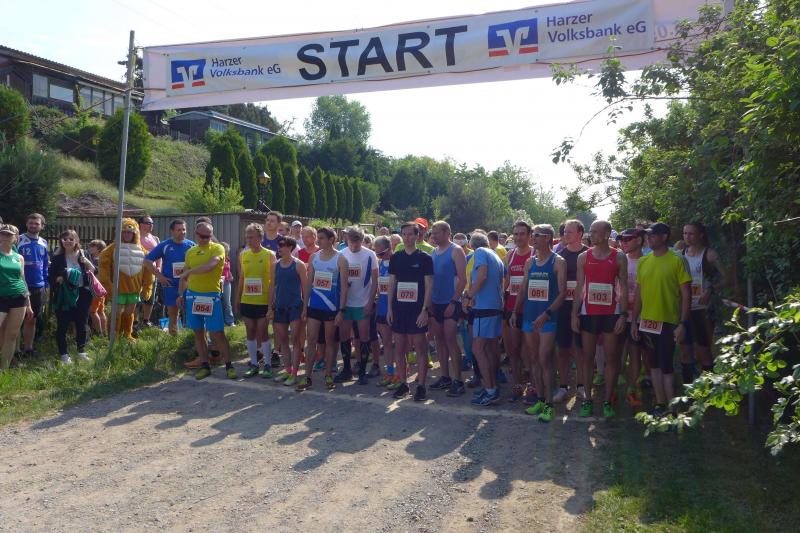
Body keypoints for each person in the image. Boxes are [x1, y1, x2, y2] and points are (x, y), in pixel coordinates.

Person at [631, 222, 692, 416]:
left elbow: (686, 295)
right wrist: (634, 321)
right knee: (654, 365)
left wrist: (683, 323)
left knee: (666, 366)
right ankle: (660, 404)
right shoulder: (644, 261)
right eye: (647, 235)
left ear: (664, 236)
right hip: (647, 323)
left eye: (652, 234)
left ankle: (673, 410)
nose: (648, 238)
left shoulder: (678, 260)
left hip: (668, 323)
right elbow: (639, 294)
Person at [572, 220, 629, 418]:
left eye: (595, 232)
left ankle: (607, 400)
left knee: (612, 358)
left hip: (611, 314)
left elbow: (623, 287)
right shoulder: (583, 257)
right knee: (588, 358)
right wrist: (574, 314)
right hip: (589, 313)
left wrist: (623, 314)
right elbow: (579, 287)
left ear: (606, 234)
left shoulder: (619, 256)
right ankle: (587, 399)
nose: (591, 234)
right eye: (591, 231)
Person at [512, 224, 566, 422]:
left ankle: (550, 404)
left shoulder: (557, 261)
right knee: (533, 359)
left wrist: (547, 313)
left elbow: (562, 293)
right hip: (529, 316)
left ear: (548, 238)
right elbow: (523, 289)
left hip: (547, 319)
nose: (532, 238)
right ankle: (541, 399)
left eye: (537, 235)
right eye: (532, 235)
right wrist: (514, 311)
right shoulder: (530, 262)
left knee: (545, 360)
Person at [177, 222, 236, 380]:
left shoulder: (217, 248)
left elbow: (210, 266)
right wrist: (180, 294)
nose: (205, 239)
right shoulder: (190, 252)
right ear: (196, 235)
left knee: (217, 333)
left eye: (208, 236)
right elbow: (184, 276)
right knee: (198, 332)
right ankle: (204, 365)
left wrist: (189, 272)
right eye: (202, 236)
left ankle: (229, 365)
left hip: (211, 295)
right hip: (193, 296)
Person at [296, 227, 348, 391]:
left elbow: (344, 287)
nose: (318, 241)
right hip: (314, 306)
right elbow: (309, 283)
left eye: (322, 238)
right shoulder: (314, 257)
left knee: (329, 340)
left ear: (332, 240)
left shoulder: (341, 259)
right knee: (311, 340)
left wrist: (341, 310)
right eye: (318, 238)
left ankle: (328, 374)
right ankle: (307, 376)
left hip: (331, 308)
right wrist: (305, 307)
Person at [387, 221, 434, 400]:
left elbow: (429, 285)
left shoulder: (425, 258)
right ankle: (403, 384)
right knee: (399, 348)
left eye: (410, 234)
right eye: (404, 234)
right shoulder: (396, 257)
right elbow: (392, 282)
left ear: (417, 236)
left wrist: (425, 310)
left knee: (420, 348)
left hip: (417, 310)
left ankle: (421, 385)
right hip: (399, 309)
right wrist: (389, 308)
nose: (407, 238)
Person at [680, 221, 726, 382]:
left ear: (700, 235)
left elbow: (727, 278)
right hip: (684, 309)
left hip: (703, 310)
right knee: (685, 351)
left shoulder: (710, 254)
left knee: (703, 351)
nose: (687, 237)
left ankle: (709, 388)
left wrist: (711, 289)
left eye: (691, 233)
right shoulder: (681, 254)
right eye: (685, 233)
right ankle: (688, 389)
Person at [334, 226, 379, 385]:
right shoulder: (342, 254)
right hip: (346, 303)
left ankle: (362, 372)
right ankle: (346, 369)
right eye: (351, 242)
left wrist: (370, 302)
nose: (354, 246)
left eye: (357, 243)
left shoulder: (370, 255)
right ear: (347, 240)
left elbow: (375, 281)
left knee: (364, 337)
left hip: (362, 302)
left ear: (361, 240)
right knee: (344, 336)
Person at [428, 221, 468, 396]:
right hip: (435, 302)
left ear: (446, 233)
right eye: (432, 232)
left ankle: (458, 380)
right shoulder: (433, 252)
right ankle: (445, 377)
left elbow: (463, 280)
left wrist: (453, 302)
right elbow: (430, 280)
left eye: (436, 232)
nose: (433, 235)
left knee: (451, 339)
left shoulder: (456, 251)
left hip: (451, 302)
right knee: (439, 340)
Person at [466, 232, 506, 406]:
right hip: (493, 306)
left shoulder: (480, 252)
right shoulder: (494, 255)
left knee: (478, 348)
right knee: (488, 349)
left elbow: (482, 276)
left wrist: (469, 296)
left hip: (485, 307)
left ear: (471, 244)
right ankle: (491, 387)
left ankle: (491, 390)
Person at [98, 218, 152, 341]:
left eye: (130, 232)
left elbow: (148, 270)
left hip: (134, 288)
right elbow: (103, 267)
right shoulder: (111, 249)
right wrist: (108, 285)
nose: (127, 235)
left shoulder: (142, 250)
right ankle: (113, 336)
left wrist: (147, 287)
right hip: (118, 289)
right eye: (125, 232)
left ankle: (127, 334)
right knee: (116, 313)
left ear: (135, 234)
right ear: (120, 233)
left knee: (129, 313)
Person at [237, 223, 276, 379]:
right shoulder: (243, 255)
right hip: (247, 300)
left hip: (263, 301)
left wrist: (270, 304)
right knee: (250, 331)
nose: (249, 240)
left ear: (260, 238)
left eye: (251, 237)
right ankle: (254, 364)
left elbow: (273, 281)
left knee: (262, 332)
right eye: (247, 237)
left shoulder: (269, 254)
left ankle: (267, 364)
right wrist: (237, 298)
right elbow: (242, 278)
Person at [50, 229, 95, 363]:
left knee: (82, 323)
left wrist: (87, 262)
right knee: (63, 324)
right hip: (65, 295)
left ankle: (81, 351)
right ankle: (64, 354)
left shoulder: (84, 254)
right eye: (65, 239)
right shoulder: (57, 258)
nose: (68, 241)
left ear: (76, 240)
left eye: (71, 239)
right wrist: (59, 278)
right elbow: (51, 277)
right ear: (61, 241)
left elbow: (94, 271)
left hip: (83, 293)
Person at [555, 220, 588, 402]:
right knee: (563, 349)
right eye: (564, 231)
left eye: (569, 231)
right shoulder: (559, 256)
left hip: (584, 307)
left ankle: (582, 385)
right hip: (563, 307)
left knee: (580, 349)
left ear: (580, 233)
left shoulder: (588, 254)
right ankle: (563, 386)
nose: (565, 234)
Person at [144, 219, 195, 337]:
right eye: (179, 230)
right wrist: (160, 276)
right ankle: (174, 338)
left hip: (188, 284)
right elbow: (147, 261)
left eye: (184, 229)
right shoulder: (165, 245)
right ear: (172, 231)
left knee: (192, 313)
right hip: (171, 285)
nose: (182, 232)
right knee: (173, 313)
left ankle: (192, 339)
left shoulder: (191, 245)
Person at [503, 221, 533, 402]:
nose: (518, 237)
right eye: (515, 234)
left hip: (531, 309)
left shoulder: (535, 254)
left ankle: (533, 386)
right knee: (513, 349)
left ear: (529, 235)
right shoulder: (510, 255)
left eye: (522, 233)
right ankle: (517, 385)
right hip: (513, 308)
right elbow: (506, 281)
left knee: (530, 350)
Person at [618, 228, 648, 408]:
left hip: (641, 316)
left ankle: (633, 390)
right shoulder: (620, 259)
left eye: (628, 239)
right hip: (620, 315)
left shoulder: (647, 261)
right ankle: (615, 390)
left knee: (636, 354)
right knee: (617, 353)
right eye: (621, 239)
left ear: (639, 240)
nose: (624, 242)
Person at [272, 236, 307, 387]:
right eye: (278, 245)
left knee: (296, 341)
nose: (279, 247)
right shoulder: (275, 265)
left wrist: (305, 309)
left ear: (290, 247)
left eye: (282, 245)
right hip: (280, 307)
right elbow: (272, 286)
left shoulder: (299, 265)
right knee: (283, 341)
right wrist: (269, 307)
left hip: (295, 307)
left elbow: (306, 288)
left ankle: (294, 374)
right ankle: (287, 370)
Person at [0, 225, 33, 371]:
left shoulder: (19, 257)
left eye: (9, 235)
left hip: (19, 298)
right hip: (1, 297)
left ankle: (4, 370)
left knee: (12, 334)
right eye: (3, 234)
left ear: (15, 238)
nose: (6, 237)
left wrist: (29, 303)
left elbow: (22, 279)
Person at [17, 213, 49, 358]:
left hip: (38, 286)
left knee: (32, 318)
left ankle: (28, 349)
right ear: (26, 224)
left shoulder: (44, 242)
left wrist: (45, 283)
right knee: (17, 320)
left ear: (42, 226)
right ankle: (15, 351)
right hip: (20, 285)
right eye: (30, 223)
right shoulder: (18, 240)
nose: (33, 225)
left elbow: (45, 265)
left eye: (36, 223)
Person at [373, 236, 397, 387]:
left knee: (400, 344)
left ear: (390, 249)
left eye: (381, 253)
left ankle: (400, 373)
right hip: (382, 308)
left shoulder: (398, 263)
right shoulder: (380, 263)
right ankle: (390, 372)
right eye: (377, 253)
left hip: (396, 309)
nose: (379, 256)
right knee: (387, 342)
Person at [137, 216, 160, 328]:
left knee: (150, 297)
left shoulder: (155, 238)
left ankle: (146, 320)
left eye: (152, 223)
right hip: (138, 271)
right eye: (148, 223)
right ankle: (135, 321)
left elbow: (159, 254)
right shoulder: (135, 236)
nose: (151, 225)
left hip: (152, 271)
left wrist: (159, 267)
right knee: (137, 297)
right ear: (141, 224)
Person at [87, 240, 107, 335]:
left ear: (98, 249)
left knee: (93, 311)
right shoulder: (102, 260)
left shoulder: (96, 261)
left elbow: (93, 273)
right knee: (100, 311)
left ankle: (99, 333)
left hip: (96, 289)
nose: (89, 248)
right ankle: (104, 331)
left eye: (92, 246)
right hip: (102, 289)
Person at [220, 242, 235, 327]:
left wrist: (230, 276)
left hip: (226, 283)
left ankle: (230, 321)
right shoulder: (217, 258)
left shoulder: (227, 259)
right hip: (218, 282)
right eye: (225, 250)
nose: (226, 252)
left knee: (227, 302)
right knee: (218, 302)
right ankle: (219, 321)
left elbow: (227, 270)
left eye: (227, 251)